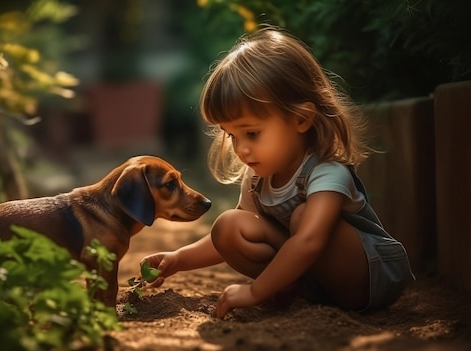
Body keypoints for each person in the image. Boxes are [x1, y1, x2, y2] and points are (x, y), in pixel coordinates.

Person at [141, 25, 415, 319]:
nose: (241, 149)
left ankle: (283, 288)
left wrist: (255, 291)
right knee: (229, 226)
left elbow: (310, 241)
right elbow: (226, 240)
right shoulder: (257, 178)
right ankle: (292, 290)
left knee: (302, 218)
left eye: (252, 133)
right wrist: (179, 259)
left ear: (301, 119)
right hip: (316, 282)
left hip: (367, 280)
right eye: (232, 136)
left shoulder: (326, 171)